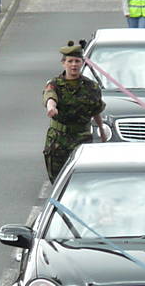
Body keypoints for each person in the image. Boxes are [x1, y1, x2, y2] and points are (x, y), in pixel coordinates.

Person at [43, 41, 105, 181]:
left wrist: (101, 129)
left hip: (82, 137)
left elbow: (96, 109)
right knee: (58, 179)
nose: (74, 65)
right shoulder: (55, 84)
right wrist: (51, 107)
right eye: (70, 61)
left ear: (82, 63)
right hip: (59, 139)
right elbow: (50, 96)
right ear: (63, 63)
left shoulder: (91, 87)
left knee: (82, 178)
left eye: (77, 61)